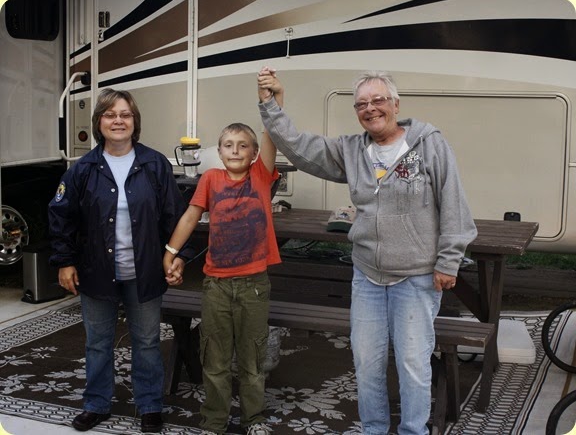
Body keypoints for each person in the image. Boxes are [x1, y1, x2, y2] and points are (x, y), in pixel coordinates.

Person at [257, 70, 477, 435]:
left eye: (378, 100)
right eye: (361, 104)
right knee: (367, 363)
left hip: (416, 277)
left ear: (395, 104)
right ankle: (373, 430)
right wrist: (270, 103)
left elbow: (453, 204)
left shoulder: (429, 144)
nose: (370, 109)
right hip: (368, 277)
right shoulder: (351, 151)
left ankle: (413, 431)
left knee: (412, 364)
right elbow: (297, 146)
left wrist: (449, 260)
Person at [48, 88, 193, 433]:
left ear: (135, 121)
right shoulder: (83, 169)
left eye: (125, 114)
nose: (118, 121)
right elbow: (61, 216)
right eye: (110, 114)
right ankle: (96, 404)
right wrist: (64, 261)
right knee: (98, 343)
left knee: (147, 341)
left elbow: (175, 216)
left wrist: (179, 256)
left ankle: (150, 406)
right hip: (96, 272)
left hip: (145, 273)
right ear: (99, 122)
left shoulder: (154, 164)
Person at [163, 69, 283, 435]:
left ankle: (253, 418)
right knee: (214, 358)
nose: (235, 150)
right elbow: (190, 216)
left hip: (254, 286)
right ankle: (214, 420)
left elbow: (272, 133)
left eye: (243, 145)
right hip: (216, 286)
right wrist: (170, 251)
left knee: (252, 358)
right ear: (219, 151)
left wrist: (272, 98)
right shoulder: (211, 179)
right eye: (228, 145)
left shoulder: (261, 176)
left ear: (254, 153)